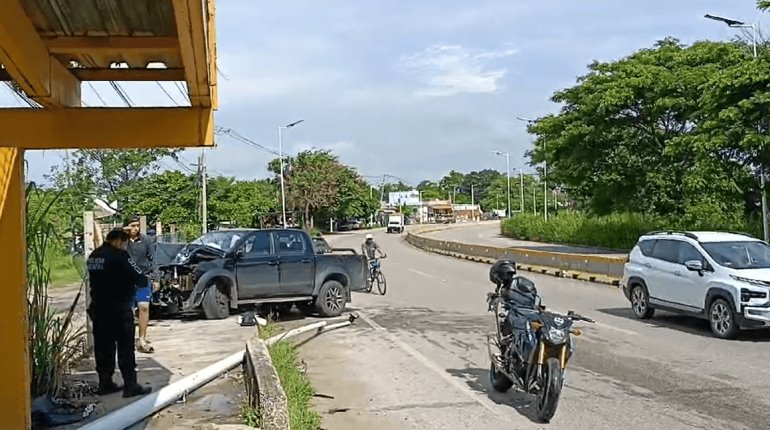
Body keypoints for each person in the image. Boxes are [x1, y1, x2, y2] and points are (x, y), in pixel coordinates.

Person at [87, 228, 153, 398]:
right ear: (118, 241)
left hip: (98, 308)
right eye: (124, 243)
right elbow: (139, 277)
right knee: (125, 347)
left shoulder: (94, 256)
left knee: (103, 347)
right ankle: (130, 385)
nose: (124, 247)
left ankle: (105, 383)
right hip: (118, 308)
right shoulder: (120, 256)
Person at [124, 216, 157, 354]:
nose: (135, 228)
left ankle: (142, 339)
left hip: (143, 279)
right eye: (132, 226)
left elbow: (153, 260)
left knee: (144, 307)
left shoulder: (146, 240)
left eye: (137, 225)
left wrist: (156, 278)